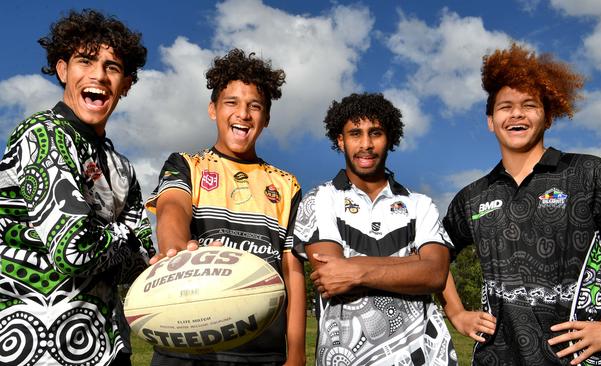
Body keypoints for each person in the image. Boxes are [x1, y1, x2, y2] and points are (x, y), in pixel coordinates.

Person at [439, 43, 601, 365]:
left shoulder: (588, 174)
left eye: (529, 105)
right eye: (505, 107)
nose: (516, 114)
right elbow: (433, 255)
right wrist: (456, 312)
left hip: (576, 359)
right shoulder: (473, 196)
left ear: (548, 116)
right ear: (490, 121)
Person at [0, 9, 153, 366]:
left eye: (112, 67)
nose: (98, 75)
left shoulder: (123, 168)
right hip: (32, 350)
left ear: (126, 84)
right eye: (85, 61)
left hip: (109, 349)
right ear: (63, 69)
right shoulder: (42, 135)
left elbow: (140, 267)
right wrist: (124, 237)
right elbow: (73, 251)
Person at [145, 48, 306, 366]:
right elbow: (172, 210)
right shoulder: (187, 164)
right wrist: (177, 252)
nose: (243, 114)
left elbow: (292, 271)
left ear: (266, 118)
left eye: (255, 106)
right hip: (188, 348)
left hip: (260, 353)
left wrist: (297, 353)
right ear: (213, 109)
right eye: (231, 102)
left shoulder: (287, 185)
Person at [293, 93, 457, 365]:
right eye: (355, 133)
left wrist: (355, 268)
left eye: (376, 133)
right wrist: (414, 262)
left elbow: (436, 274)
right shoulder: (321, 198)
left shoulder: (420, 203)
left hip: (425, 356)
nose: (366, 144)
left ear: (389, 138)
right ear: (340, 140)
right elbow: (331, 274)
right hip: (347, 357)